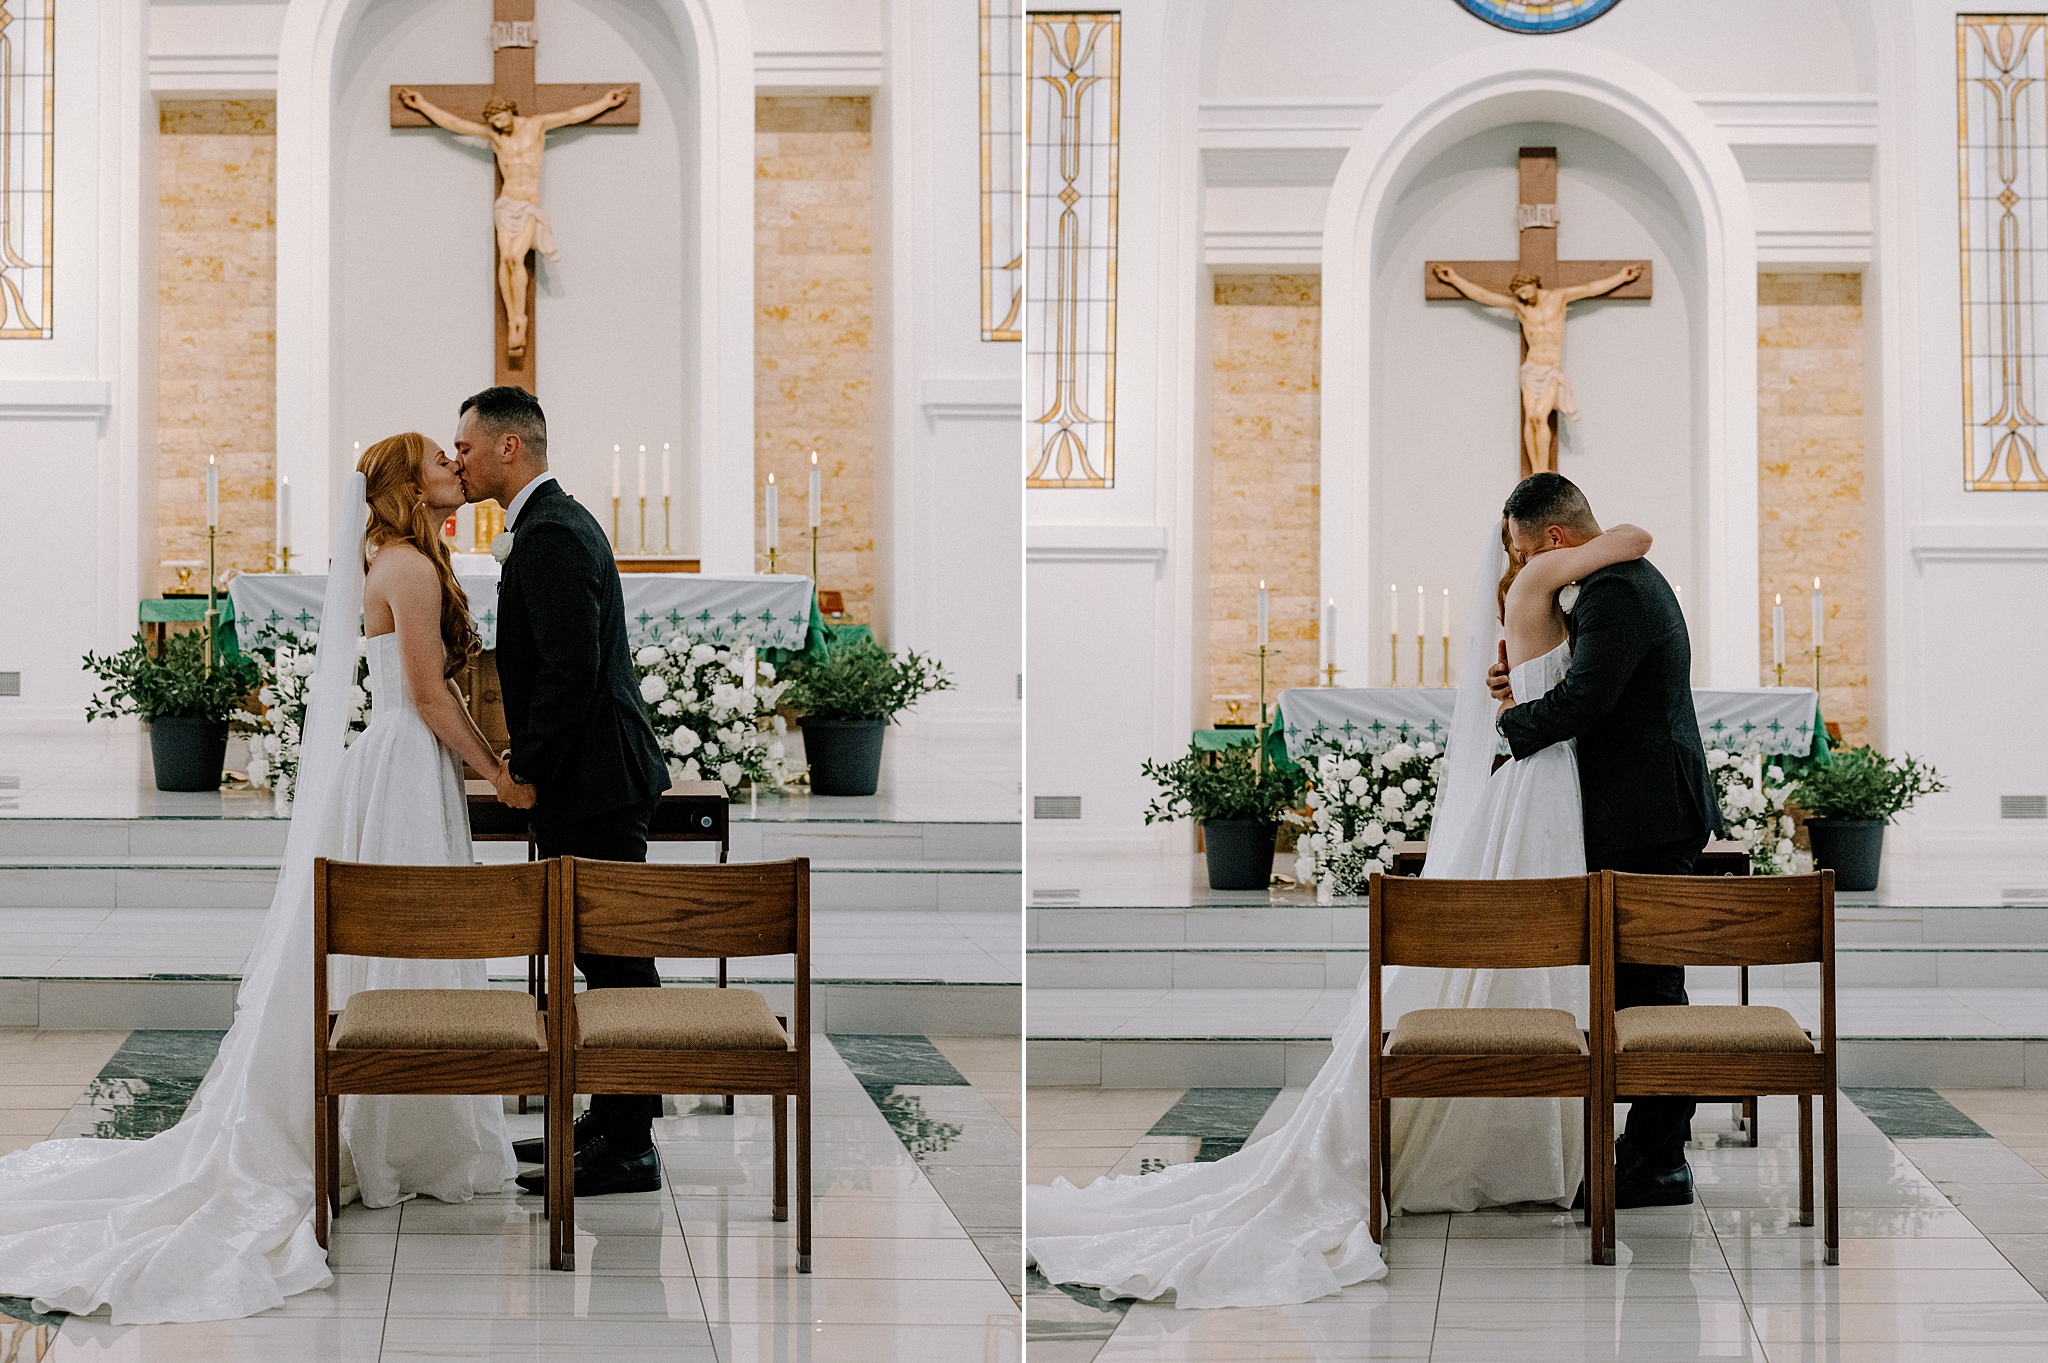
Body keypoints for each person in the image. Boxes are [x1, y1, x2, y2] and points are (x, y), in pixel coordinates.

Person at [1025, 488, 1663, 1311]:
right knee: (1533, 942)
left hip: (1538, 767)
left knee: (1513, 943)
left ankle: (1526, 1136)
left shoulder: (1534, 587)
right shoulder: (1539, 580)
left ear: (1539, 534)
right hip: (1544, 774)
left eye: (1515, 541)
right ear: (1553, 537)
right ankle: (1532, 1145)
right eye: (1510, 546)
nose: (1511, 557)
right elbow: (1637, 533)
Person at [0, 434, 525, 1323]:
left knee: (403, 942)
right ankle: (402, 1131)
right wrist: (499, 777)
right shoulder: (408, 563)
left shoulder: (395, 555)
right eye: (439, 457)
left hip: (400, 761)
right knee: (415, 937)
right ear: (409, 482)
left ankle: (405, 1119)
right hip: (407, 762)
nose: (454, 462)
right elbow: (431, 696)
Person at [449, 385, 672, 1198]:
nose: (460, 459)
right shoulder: (548, 527)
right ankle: (612, 1121)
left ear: (512, 447)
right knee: (600, 955)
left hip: (595, 782)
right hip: (591, 776)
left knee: (615, 960)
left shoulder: (550, 534)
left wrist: (526, 769)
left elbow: (573, 673)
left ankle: (631, 1142)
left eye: (467, 446)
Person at [1493, 470, 1721, 1210]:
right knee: (1640, 987)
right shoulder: (1612, 582)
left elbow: (1589, 700)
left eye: (1525, 553)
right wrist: (1522, 685)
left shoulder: (1617, 588)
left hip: (1650, 814)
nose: (1524, 567)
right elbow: (1589, 681)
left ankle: (1658, 1159)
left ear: (1555, 540)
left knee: (1651, 990)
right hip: (1644, 808)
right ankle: (1653, 1150)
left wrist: (1509, 729)